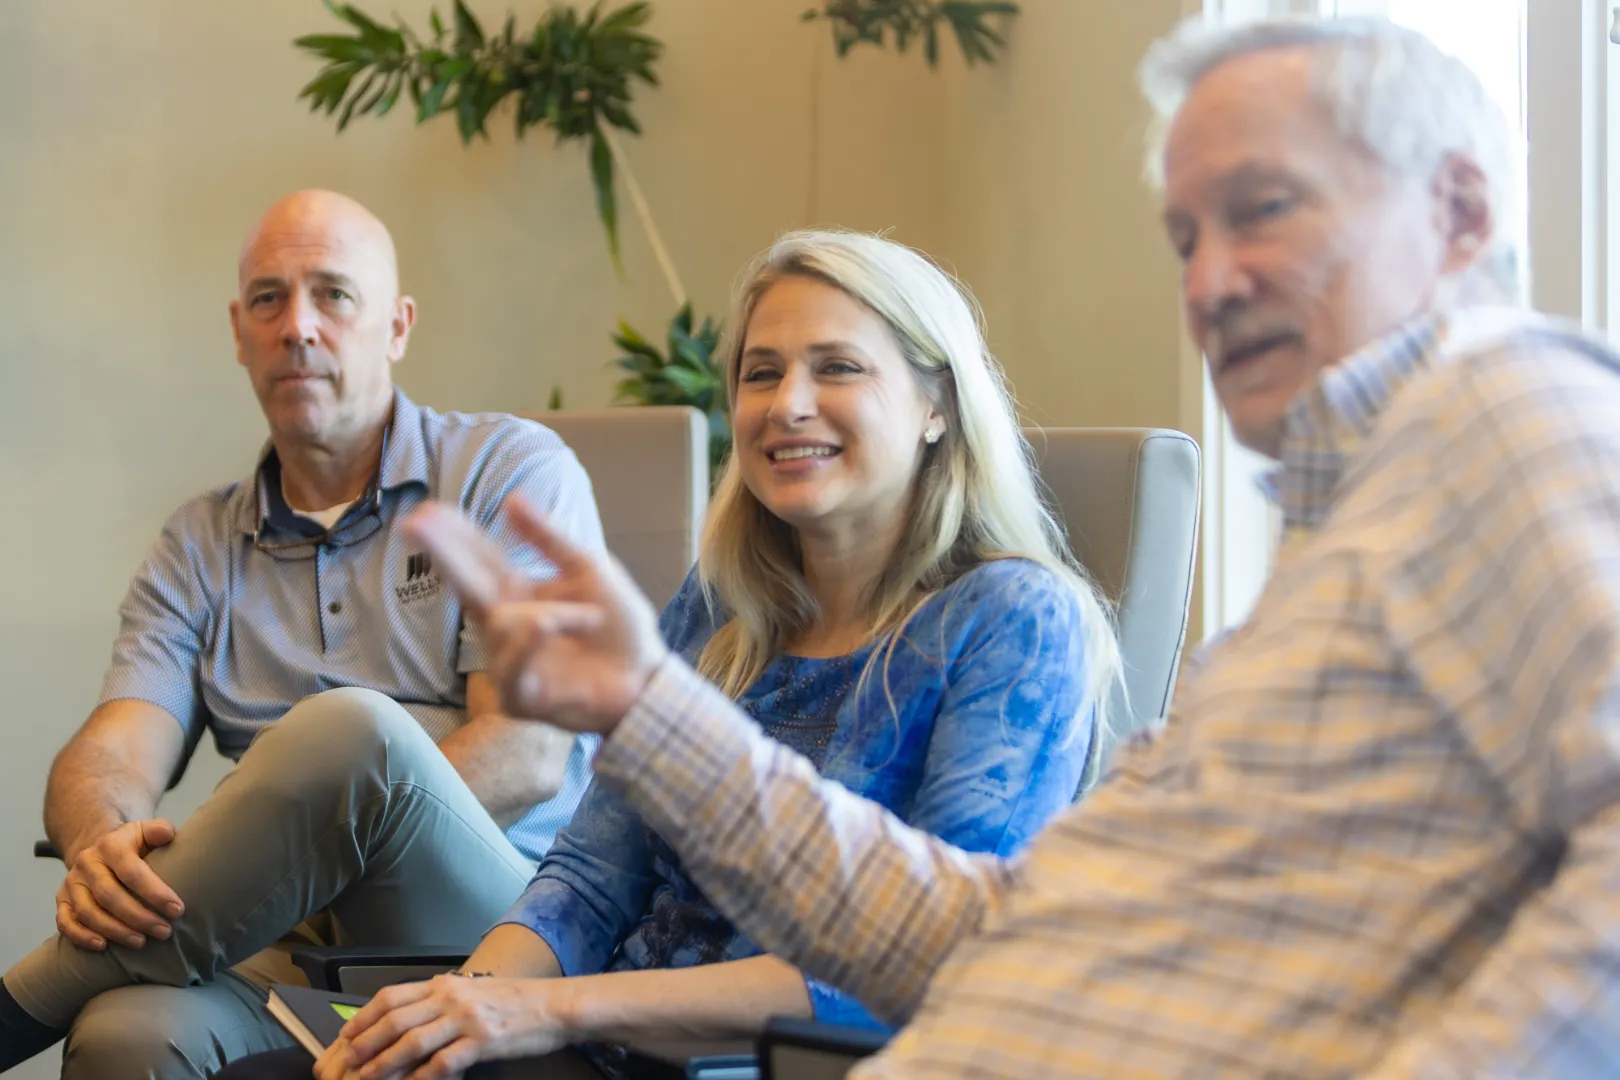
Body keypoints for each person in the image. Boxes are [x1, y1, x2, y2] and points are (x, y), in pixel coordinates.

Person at [392, 15, 1620, 1080]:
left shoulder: (1505, 412)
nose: (1208, 282)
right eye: (1185, 235)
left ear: (1457, 211)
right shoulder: (1322, 570)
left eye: (1263, 209)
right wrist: (649, 709)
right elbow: (990, 938)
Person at [221, 228, 1124, 1080]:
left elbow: (928, 968)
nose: (787, 404)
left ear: (938, 407)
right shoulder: (724, 604)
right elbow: (591, 876)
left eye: (837, 368)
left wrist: (557, 1013)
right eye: (760, 373)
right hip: (595, 1043)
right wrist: (471, 1005)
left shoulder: (1013, 618)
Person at [0, 190, 606, 1078]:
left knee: (351, 731)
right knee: (124, 1034)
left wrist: (322, 825)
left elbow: (527, 756)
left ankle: (16, 1007)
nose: (298, 327)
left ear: (397, 326)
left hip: (501, 925)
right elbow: (113, 753)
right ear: (239, 333)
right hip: (281, 936)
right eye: (268, 300)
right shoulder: (197, 545)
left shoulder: (509, 472)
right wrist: (102, 853)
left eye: (334, 295)